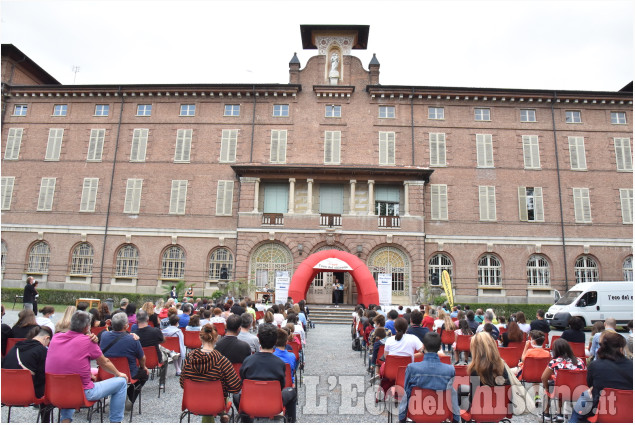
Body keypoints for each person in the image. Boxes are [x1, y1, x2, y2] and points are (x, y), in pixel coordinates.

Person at [46, 311, 128, 423]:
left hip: (56, 392)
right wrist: (118, 374)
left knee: (66, 380)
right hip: (83, 393)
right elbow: (104, 362)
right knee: (121, 382)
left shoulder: (56, 338)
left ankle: (65, 419)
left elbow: (67, 361)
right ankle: (115, 421)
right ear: (87, 327)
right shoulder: (88, 341)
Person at [234, 323, 297, 423]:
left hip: (250, 401)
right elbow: (281, 386)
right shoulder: (280, 363)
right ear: (275, 341)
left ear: (258, 338)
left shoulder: (248, 361)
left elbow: (242, 383)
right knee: (291, 392)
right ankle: (291, 421)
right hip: (274, 404)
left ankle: (246, 420)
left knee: (236, 395)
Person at [180, 324, 242, 422]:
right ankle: (223, 413)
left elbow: (183, 383)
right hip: (216, 403)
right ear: (216, 338)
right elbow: (235, 387)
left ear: (200, 337)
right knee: (220, 388)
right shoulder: (222, 361)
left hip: (193, 401)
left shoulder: (189, 358)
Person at [569, 331, 633, 422]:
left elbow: (590, 384)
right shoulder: (632, 366)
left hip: (601, 412)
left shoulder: (595, 365)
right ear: (621, 349)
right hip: (629, 414)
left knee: (585, 395)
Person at [398, 332, 459, 422]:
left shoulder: (412, 368)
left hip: (416, 413)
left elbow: (406, 394)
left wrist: (402, 418)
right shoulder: (450, 370)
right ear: (440, 348)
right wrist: (456, 419)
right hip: (441, 414)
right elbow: (452, 396)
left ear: (423, 347)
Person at [100, 312, 148, 405]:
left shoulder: (104, 335)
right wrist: (143, 367)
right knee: (144, 374)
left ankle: (116, 394)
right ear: (126, 326)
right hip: (128, 374)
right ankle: (129, 397)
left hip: (106, 372)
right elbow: (142, 358)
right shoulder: (133, 339)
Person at [541, 338, 586, 421]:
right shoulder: (580, 361)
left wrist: (546, 387)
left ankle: (546, 413)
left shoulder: (555, 362)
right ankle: (559, 413)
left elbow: (543, 377)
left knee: (552, 386)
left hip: (561, 391)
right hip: (578, 391)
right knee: (559, 385)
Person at [2, 325, 52, 399]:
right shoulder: (41, 350)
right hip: (28, 393)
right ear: (46, 338)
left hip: (5, 392)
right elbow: (42, 376)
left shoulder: (15, 347)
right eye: (48, 342)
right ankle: (43, 410)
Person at [463, 332, 510, 410]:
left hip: (480, 409)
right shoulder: (501, 366)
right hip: (500, 408)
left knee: (460, 392)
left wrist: (470, 395)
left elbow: (473, 399)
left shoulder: (475, 370)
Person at [133, 309, 168, 390]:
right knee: (165, 358)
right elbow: (163, 340)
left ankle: (137, 382)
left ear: (136, 320)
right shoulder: (155, 331)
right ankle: (162, 383)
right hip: (155, 360)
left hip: (139, 361)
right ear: (148, 319)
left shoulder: (134, 334)